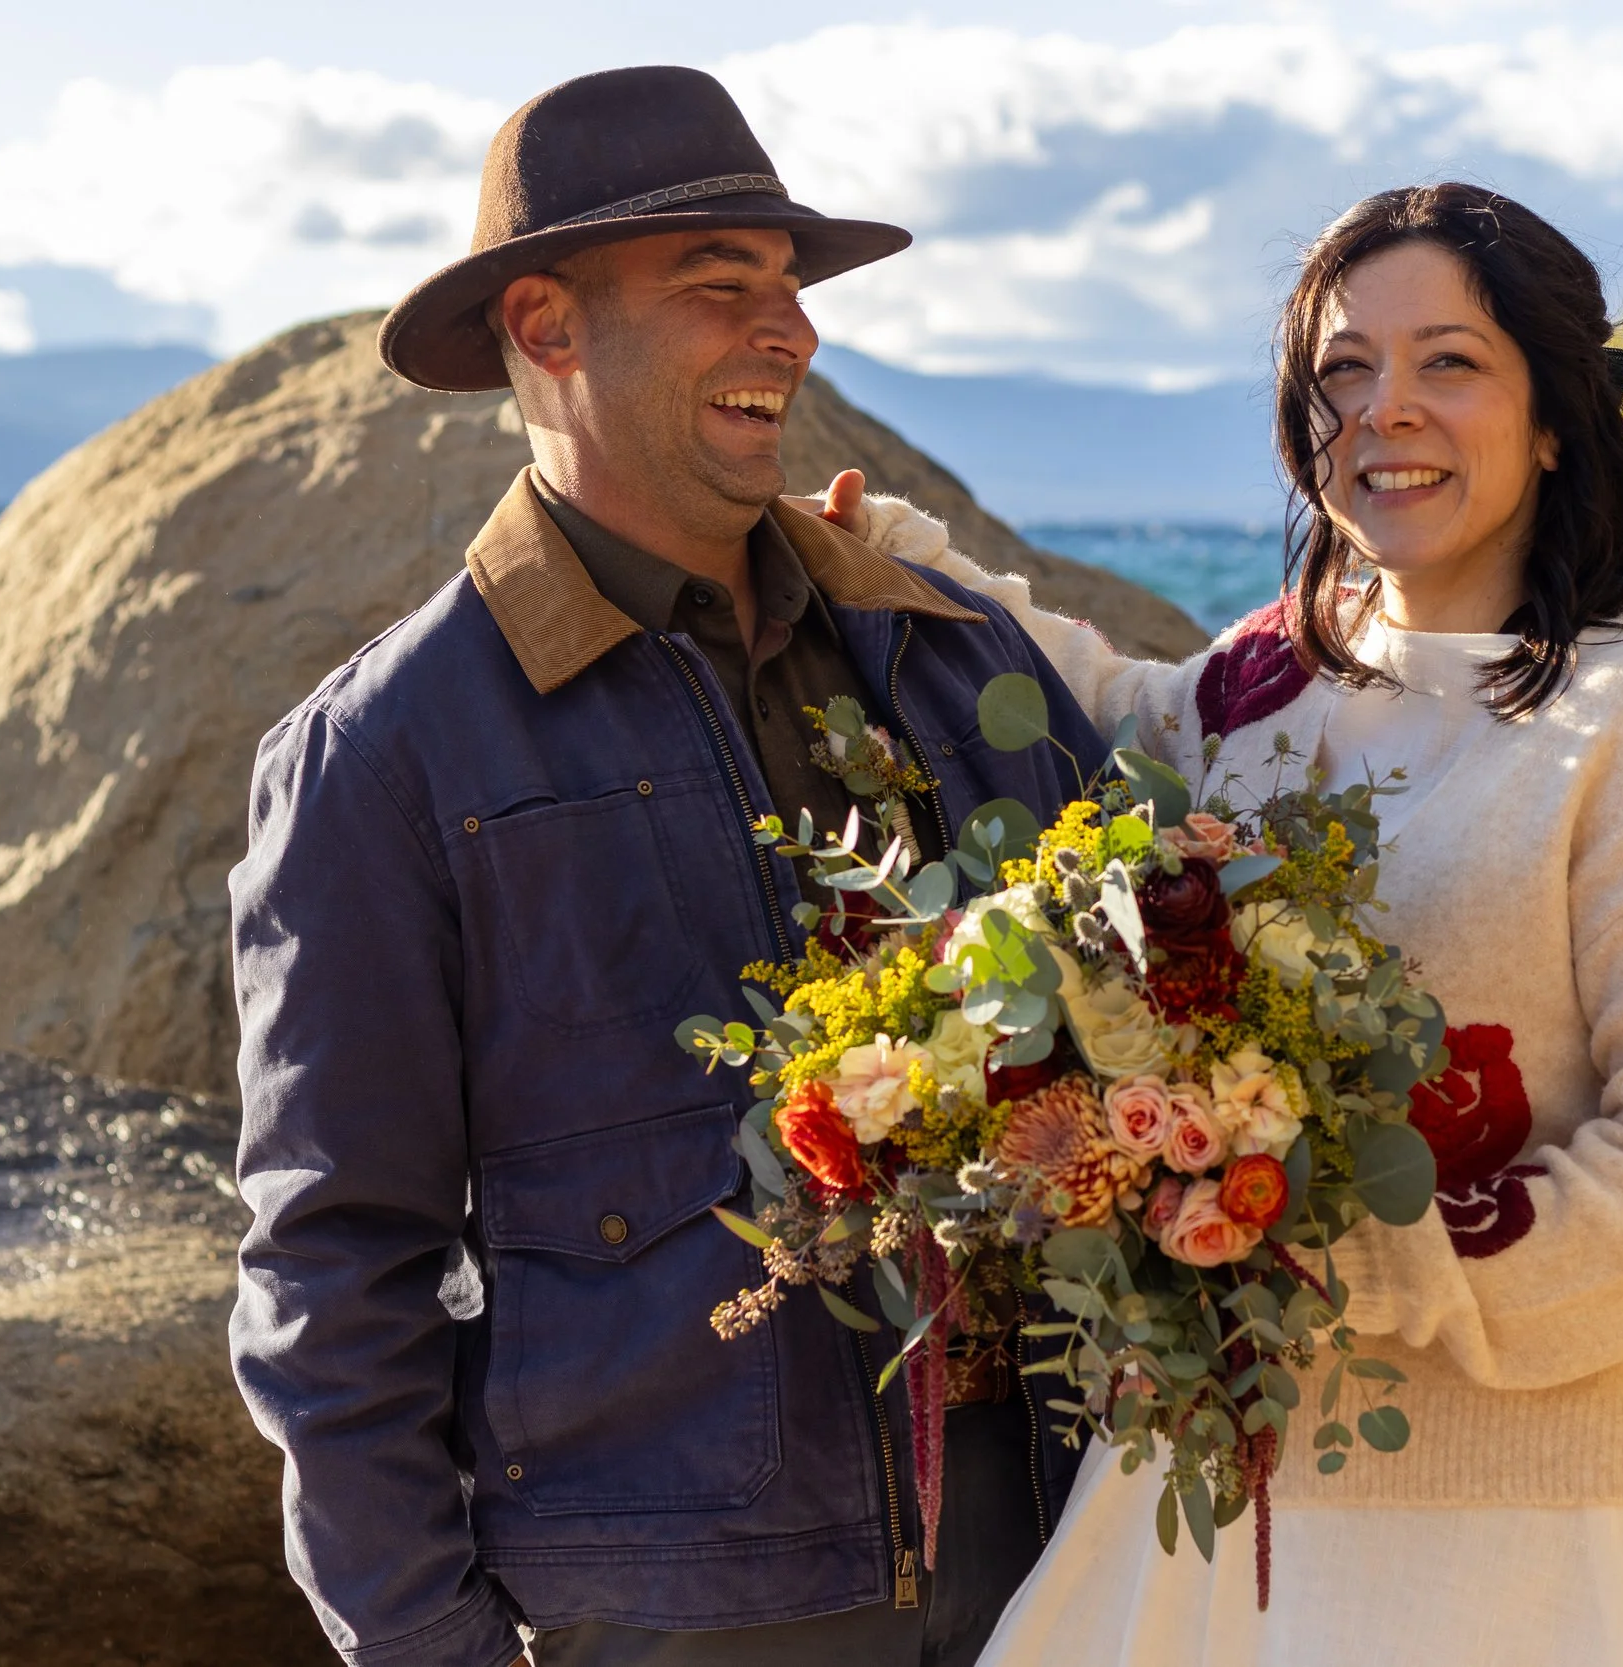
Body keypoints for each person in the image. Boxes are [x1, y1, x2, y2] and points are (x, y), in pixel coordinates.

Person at [803, 182, 1623, 1665]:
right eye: (1342, 372)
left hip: (1544, 1557)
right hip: (1215, 1517)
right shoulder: (1277, 681)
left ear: (1554, 416)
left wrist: (1360, 1262)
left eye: (1450, 365)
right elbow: (1112, 709)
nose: (1384, 411)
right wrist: (889, 555)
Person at [226, 67, 1101, 1667]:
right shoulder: (384, 761)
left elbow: (1146, 976)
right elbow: (336, 1271)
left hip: (1054, 1553)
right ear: (549, 327)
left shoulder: (948, 657)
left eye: (789, 289)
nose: (794, 332)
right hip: (682, 1612)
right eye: (724, 288)